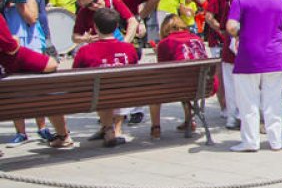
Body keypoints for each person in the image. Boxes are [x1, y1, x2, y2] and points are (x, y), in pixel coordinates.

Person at [227, 0, 282, 152]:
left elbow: (231, 27)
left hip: (248, 57)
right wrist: (275, 36)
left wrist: (243, 33)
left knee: (248, 101)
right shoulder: (281, 0)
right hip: (274, 56)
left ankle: (250, 141)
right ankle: (277, 140)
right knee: (273, 100)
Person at [73, 8, 141, 147]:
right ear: (116, 27)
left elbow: (75, 76)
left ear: (95, 27)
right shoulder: (129, 48)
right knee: (117, 87)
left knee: (100, 90)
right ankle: (114, 129)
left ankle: (108, 128)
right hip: (127, 96)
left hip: (96, 97)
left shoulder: (85, 50)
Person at [0, 17, 69, 149]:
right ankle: (63, 135)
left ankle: (24, 133)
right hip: (26, 95)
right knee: (48, 97)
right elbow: (51, 64)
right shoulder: (13, 57)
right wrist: (14, 41)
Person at [156, 15, 209, 135]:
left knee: (153, 90)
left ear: (165, 28)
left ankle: (155, 128)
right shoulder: (197, 38)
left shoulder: (166, 42)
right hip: (206, 86)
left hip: (182, 87)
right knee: (185, 79)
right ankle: (189, 119)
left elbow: (162, 71)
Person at [204, 0, 237, 126]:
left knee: (229, 73)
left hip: (228, 39)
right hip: (218, 40)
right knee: (220, 74)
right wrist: (220, 30)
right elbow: (209, 17)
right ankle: (224, 105)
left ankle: (230, 105)